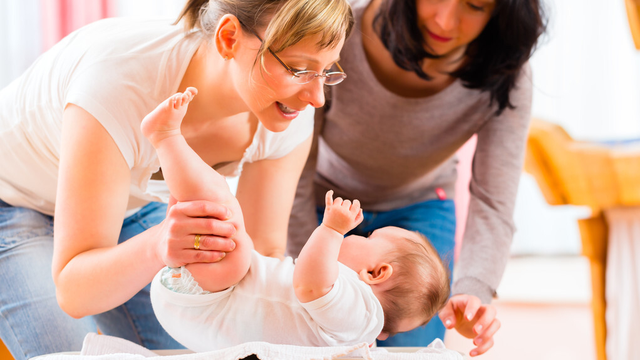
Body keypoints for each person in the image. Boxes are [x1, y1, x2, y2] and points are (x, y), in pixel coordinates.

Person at [0, 0, 354, 358]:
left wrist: (325, 327)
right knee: (68, 354)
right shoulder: (120, 80)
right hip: (12, 201)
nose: (317, 98)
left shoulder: (286, 110)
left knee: (200, 347)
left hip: (133, 207)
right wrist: (157, 244)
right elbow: (74, 293)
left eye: (327, 71)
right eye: (297, 69)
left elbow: (259, 259)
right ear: (229, 37)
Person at [287, 0, 547, 356]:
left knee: (411, 351)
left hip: (422, 207)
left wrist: (472, 291)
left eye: (474, 5)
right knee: (303, 335)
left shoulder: (506, 71)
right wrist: (305, 264)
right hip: (326, 206)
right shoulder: (338, 32)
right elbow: (292, 169)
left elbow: (493, 197)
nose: (445, 20)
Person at [143, 88, 450, 350]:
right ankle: (180, 182)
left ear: (376, 272)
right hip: (204, 307)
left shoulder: (360, 311)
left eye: (369, 239)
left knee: (226, 218)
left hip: (206, 304)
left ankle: (166, 137)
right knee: (221, 227)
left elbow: (311, 286)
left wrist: (331, 229)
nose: (359, 234)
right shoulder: (356, 332)